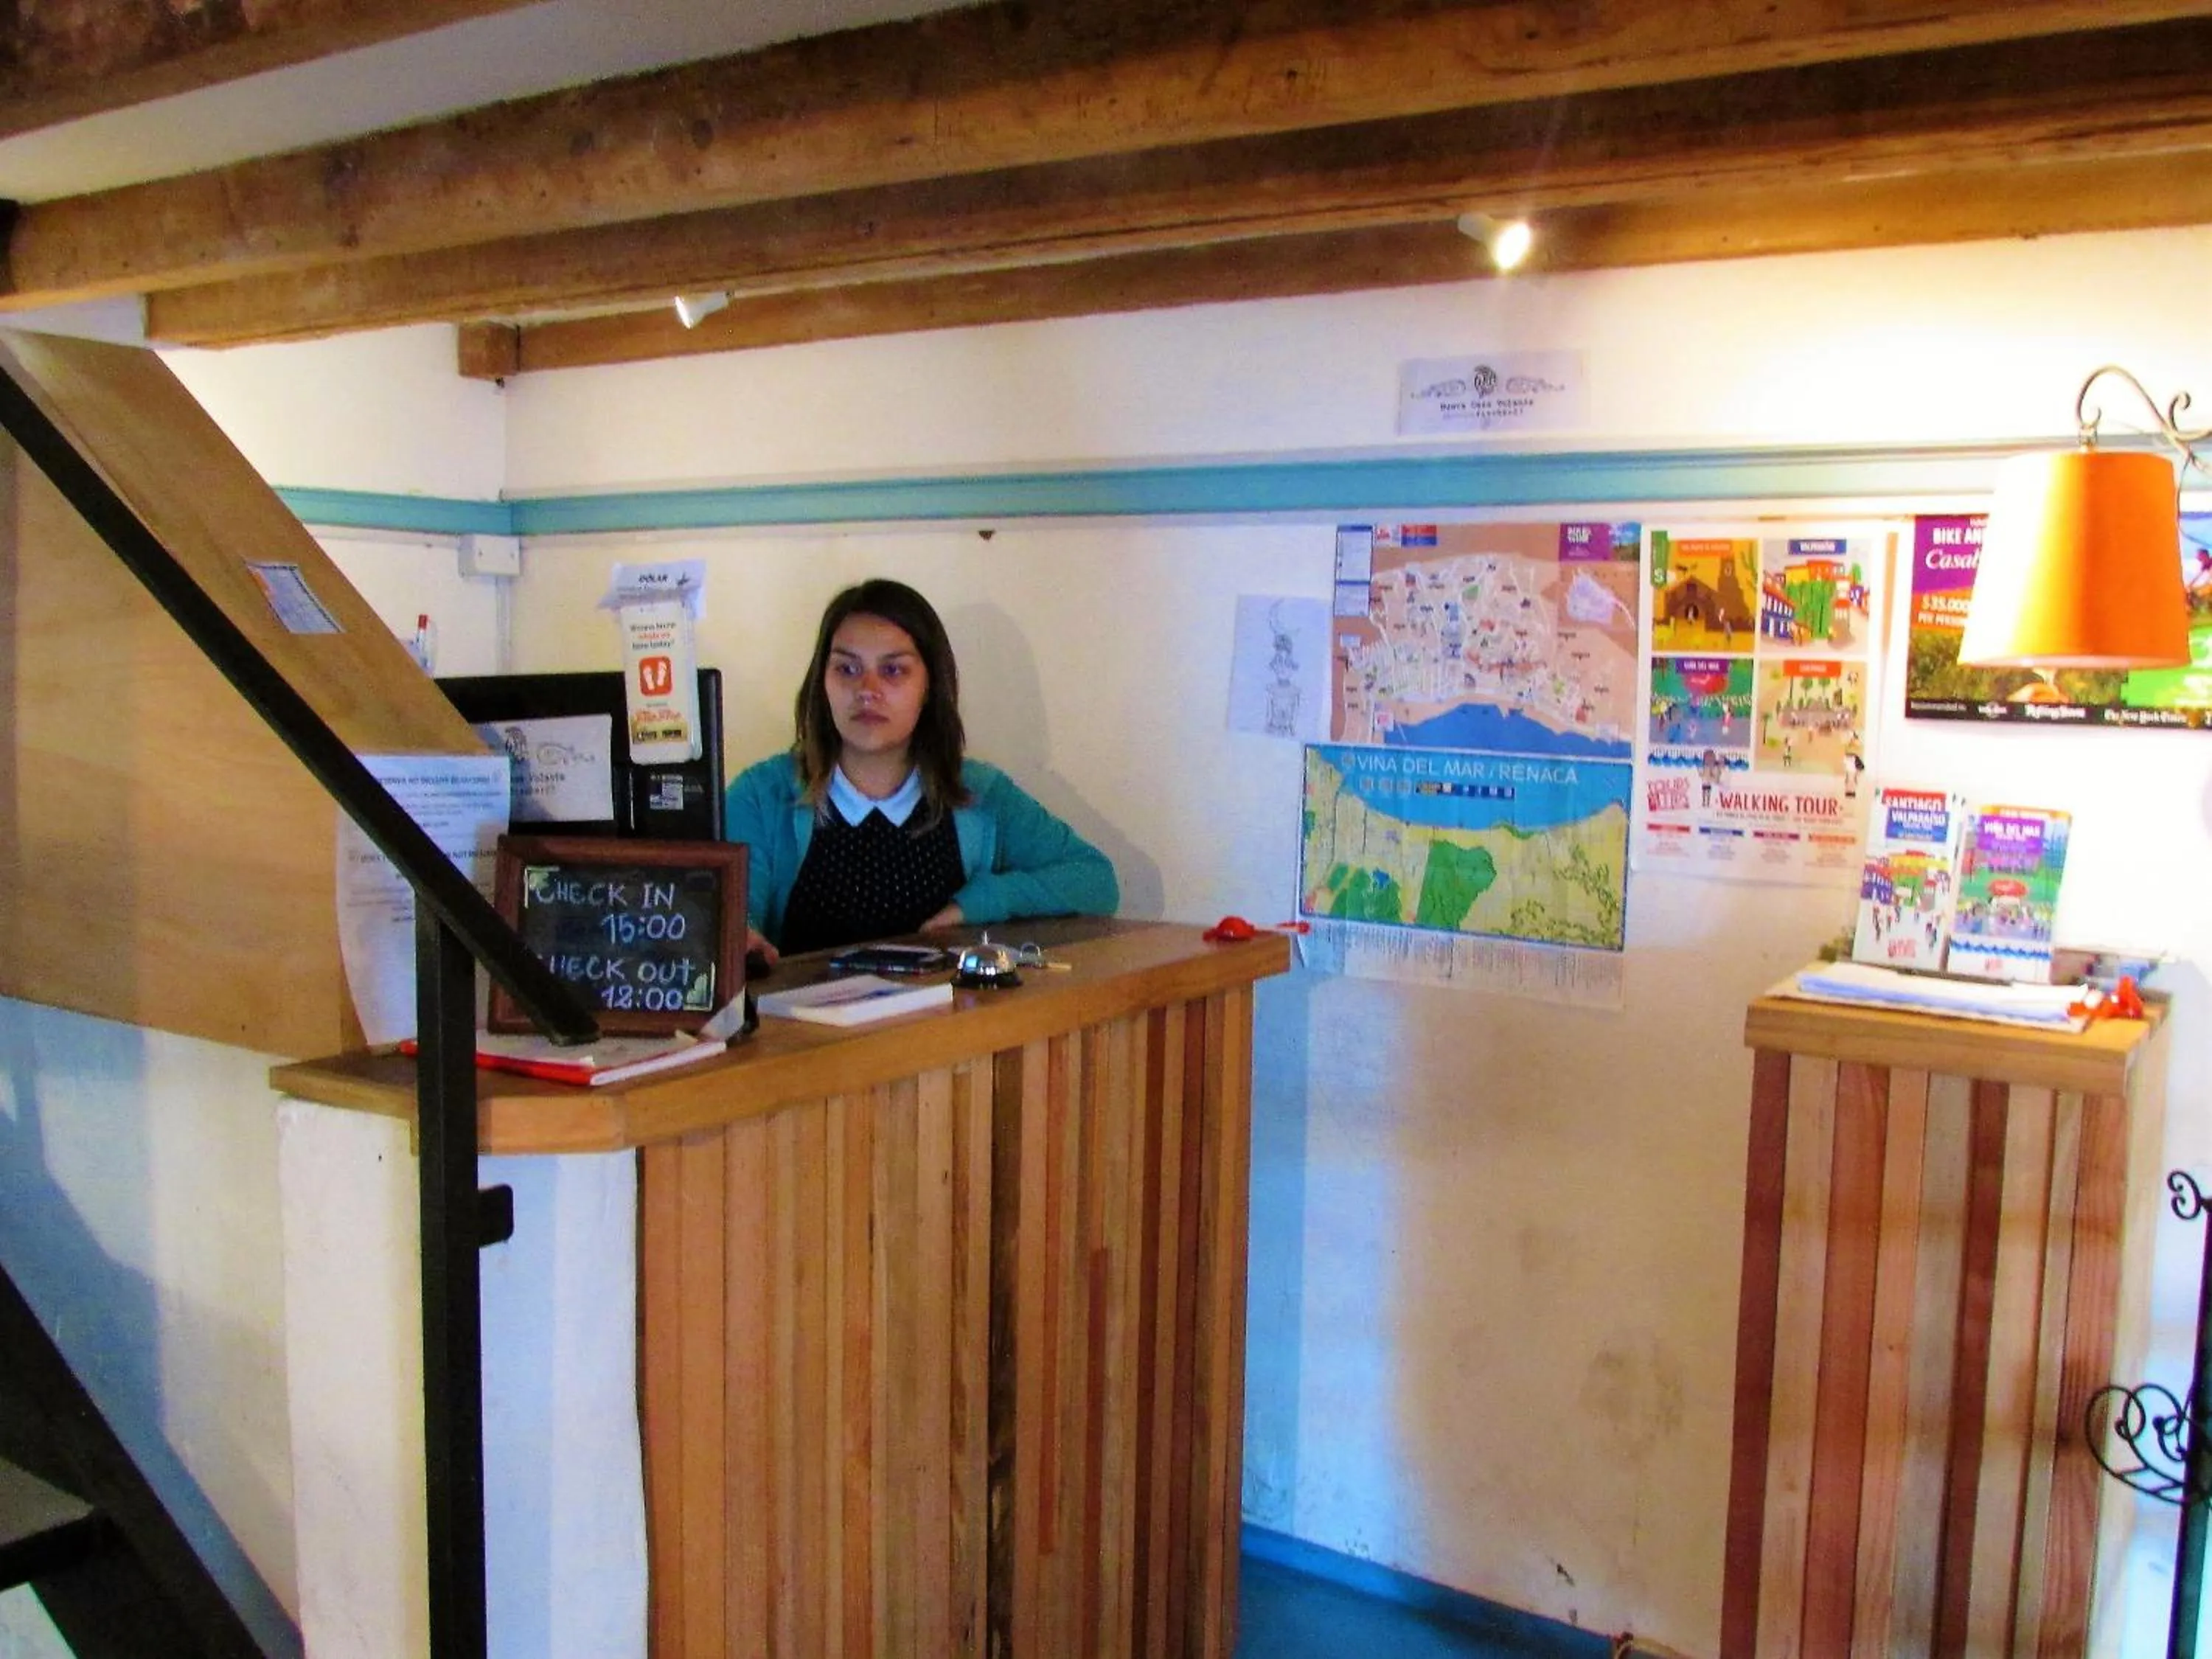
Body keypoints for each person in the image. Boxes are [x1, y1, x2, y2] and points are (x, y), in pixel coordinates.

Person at [725, 578, 1119, 963]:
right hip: (805, 1028)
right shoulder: (762, 796)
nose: (867, 689)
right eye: (846, 669)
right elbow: (729, 914)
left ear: (930, 686)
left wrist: (981, 903)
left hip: (949, 1026)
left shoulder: (980, 793)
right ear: (821, 682)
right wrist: (740, 936)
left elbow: (1095, 880)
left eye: (893, 671)